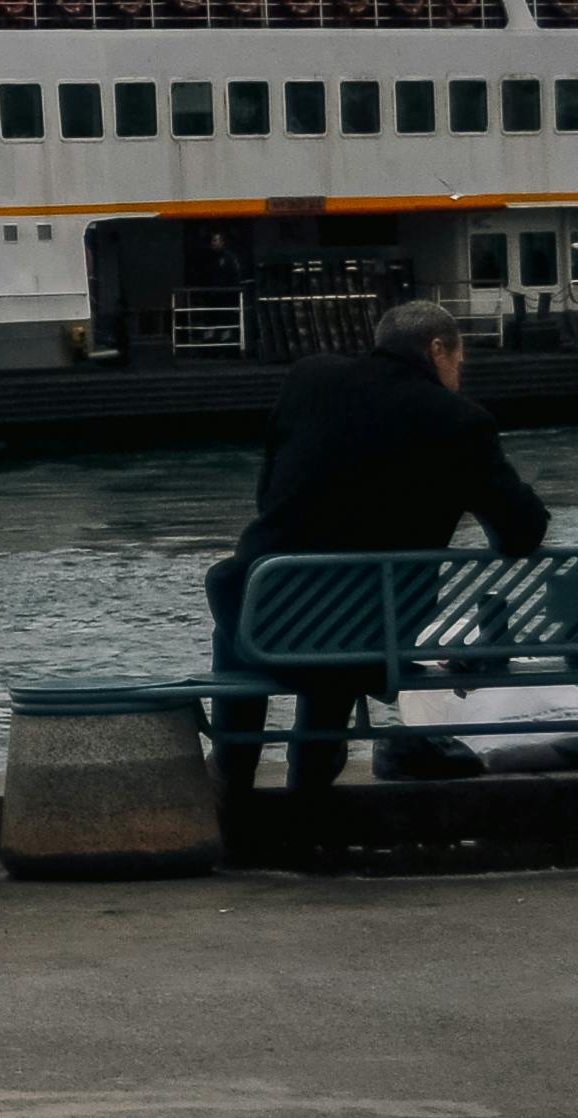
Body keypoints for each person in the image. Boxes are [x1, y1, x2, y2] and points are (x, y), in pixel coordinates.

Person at [207, 299, 550, 798]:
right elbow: (520, 535)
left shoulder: (311, 379)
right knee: (342, 639)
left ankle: (234, 771)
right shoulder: (462, 422)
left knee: (239, 610)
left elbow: (269, 494)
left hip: (266, 613)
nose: (459, 371)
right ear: (436, 347)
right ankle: (310, 786)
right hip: (372, 628)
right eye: (458, 360)